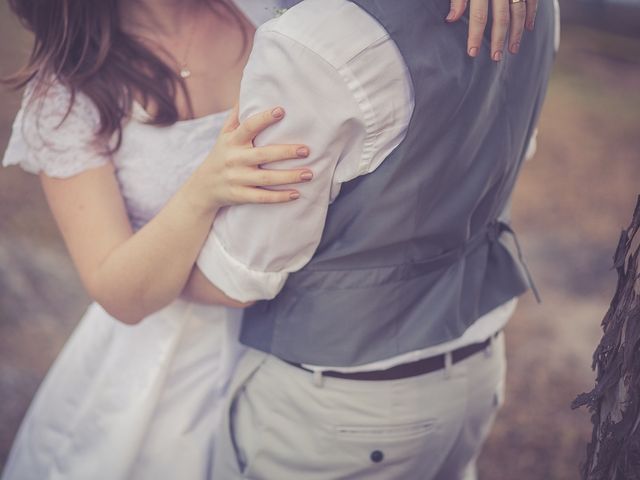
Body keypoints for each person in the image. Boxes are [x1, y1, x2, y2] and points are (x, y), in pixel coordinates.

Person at [1, 0, 549, 479]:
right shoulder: (65, 97)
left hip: (306, 343)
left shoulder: (267, 8)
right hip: (165, 371)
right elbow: (117, 290)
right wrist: (199, 195)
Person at [189, 0, 561, 479]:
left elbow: (240, 276)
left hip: (342, 408)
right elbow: (510, 150)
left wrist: (139, 268)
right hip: (478, 369)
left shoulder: (319, 40)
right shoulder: (538, 8)